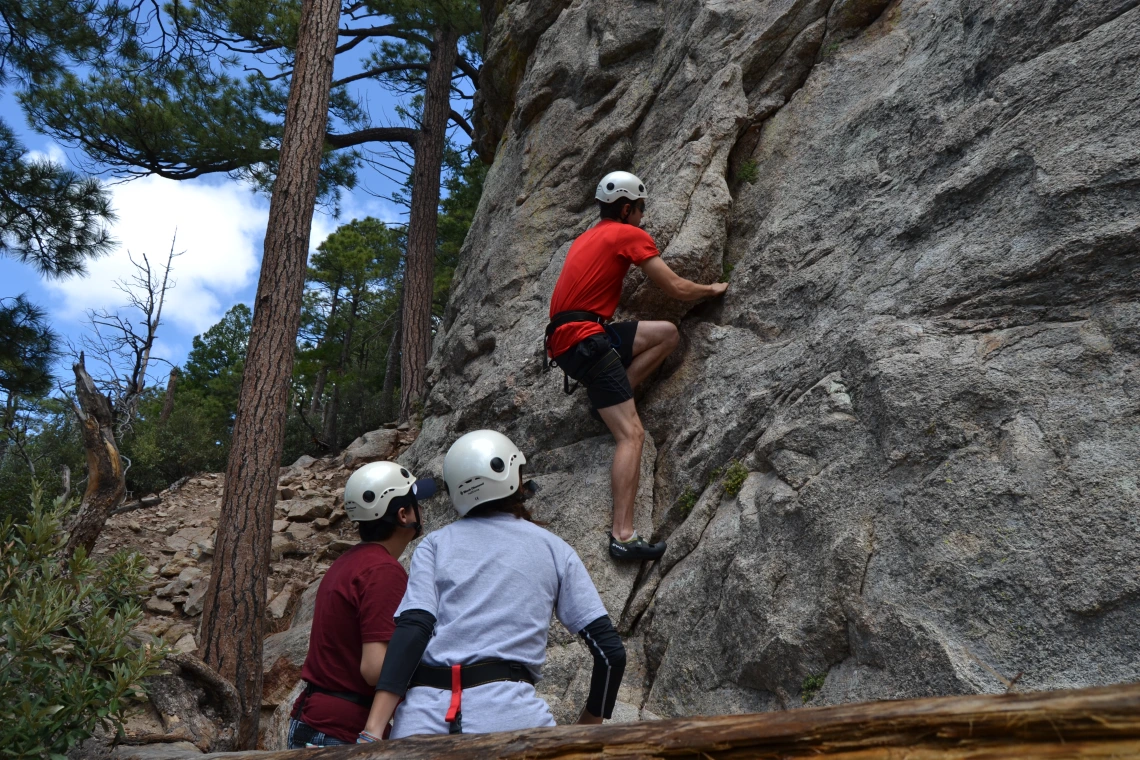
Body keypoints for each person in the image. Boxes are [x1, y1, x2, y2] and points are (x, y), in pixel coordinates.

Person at [355, 430, 626, 741]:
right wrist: (588, 726)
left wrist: (373, 731)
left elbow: (413, 631)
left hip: (424, 725)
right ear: (512, 477)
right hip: (514, 724)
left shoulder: (434, 546)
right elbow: (610, 653)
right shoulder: (554, 550)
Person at [545, 170, 728, 561]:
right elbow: (675, 288)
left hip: (577, 339)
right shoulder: (628, 234)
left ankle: (610, 397)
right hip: (586, 342)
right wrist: (713, 289)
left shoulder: (585, 238)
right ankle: (622, 537)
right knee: (632, 436)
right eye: (641, 209)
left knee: (666, 334)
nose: (643, 217)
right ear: (627, 208)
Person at [286, 461, 435, 748]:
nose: (421, 510)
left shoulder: (348, 562)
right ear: (403, 515)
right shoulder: (382, 571)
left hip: (316, 720)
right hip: (340, 733)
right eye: (416, 503)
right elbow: (375, 669)